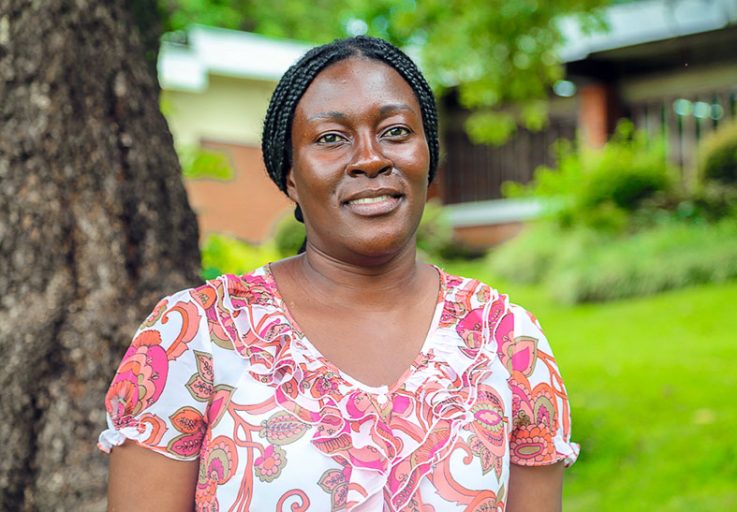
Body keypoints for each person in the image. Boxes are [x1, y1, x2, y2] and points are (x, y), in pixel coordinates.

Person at [100, 36, 578, 512]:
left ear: (428, 155)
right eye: (331, 138)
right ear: (290, 175)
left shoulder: (507, 341)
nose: (371, 158)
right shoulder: (195, 336)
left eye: (395, 131)